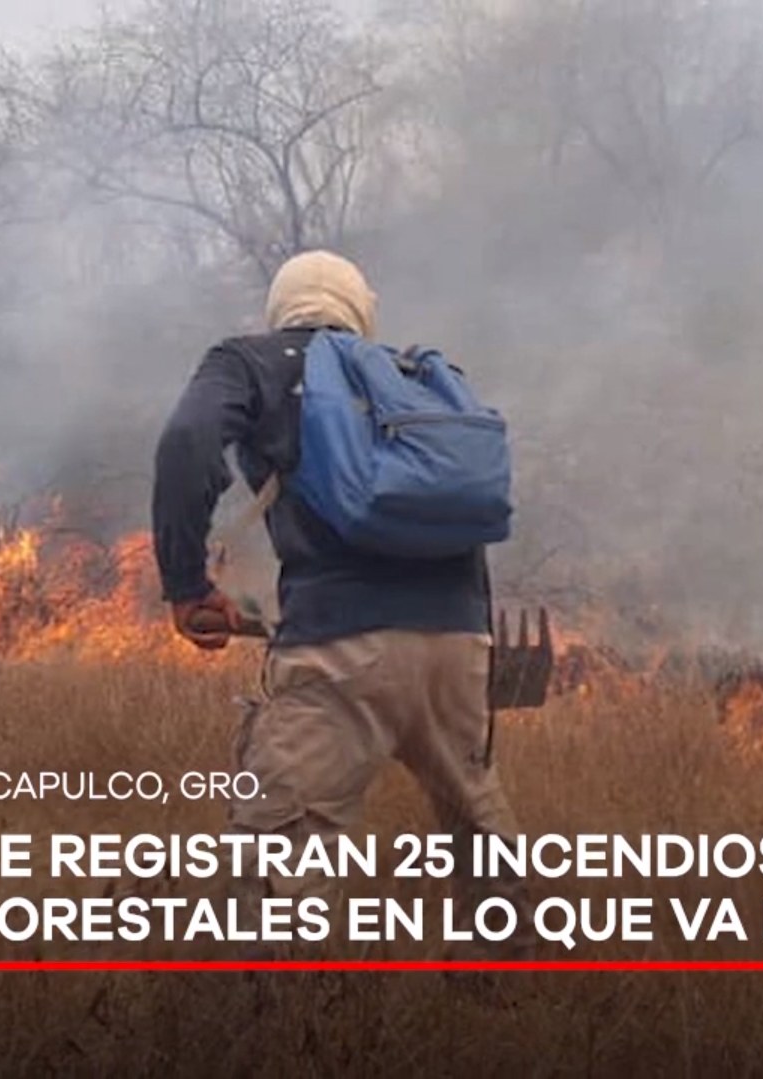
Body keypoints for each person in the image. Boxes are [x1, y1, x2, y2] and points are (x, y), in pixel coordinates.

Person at [151, 250, 534, 967]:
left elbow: (183, 441)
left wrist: (183, 582)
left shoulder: (250, 363)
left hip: (337, 645)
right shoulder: (414, 379)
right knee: (480, 831)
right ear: (362, 308)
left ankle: (273, 1023)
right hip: (457, 643)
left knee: (282, 846)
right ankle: (507, 999)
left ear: (279, 309)